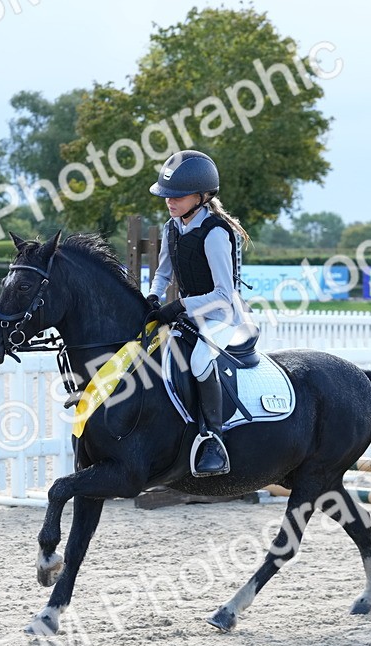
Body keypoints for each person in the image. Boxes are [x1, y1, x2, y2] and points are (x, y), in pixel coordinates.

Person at [145, 149, 253, 478]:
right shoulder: (172, 227)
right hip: (192, 315)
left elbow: (223, 294)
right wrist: (152, 296)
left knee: (199, 361)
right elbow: (163, 273)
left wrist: (178, 305)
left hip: (223, 316)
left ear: (202, 197)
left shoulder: (216, 233)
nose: (170, 201)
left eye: (177, 196)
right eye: (167, 195)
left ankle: (213, 440)